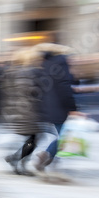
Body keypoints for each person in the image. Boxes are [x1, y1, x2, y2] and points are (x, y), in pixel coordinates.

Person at [1, 48, 58, 176]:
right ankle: (16, 159)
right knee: (36, 136)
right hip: (29, 112)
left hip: (19, 111)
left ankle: (15, 159)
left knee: (34, 137)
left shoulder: (12, 71)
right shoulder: (27, 72)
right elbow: (30, 92)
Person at [32, 43, 79, 173]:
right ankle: (46, 155)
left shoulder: (46, 64)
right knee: (65, 136)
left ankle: (49, 158)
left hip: (49, 106)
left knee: (63, 135)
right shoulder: (61, 63)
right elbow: (64, 87)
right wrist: (73, 108)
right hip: (60, 106)